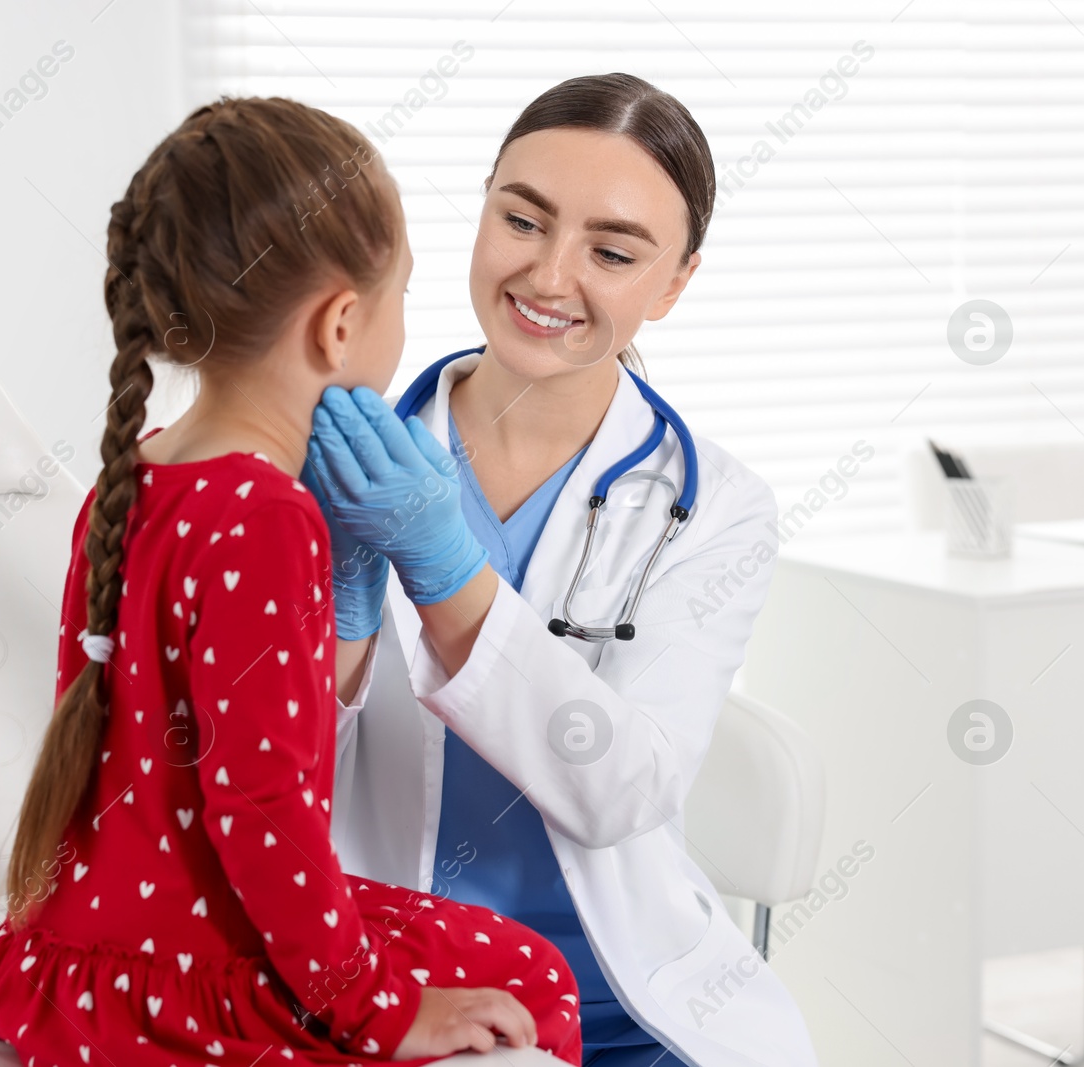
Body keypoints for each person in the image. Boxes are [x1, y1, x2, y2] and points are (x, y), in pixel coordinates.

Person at [0, 95, 582, 1067]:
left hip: (76, 956)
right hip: (194, 970)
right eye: (401, 294)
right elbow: (264, 810)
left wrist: (347, 591)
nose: (406, 322)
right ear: (338, 324)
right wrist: (375, 1008)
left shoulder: (133, 478)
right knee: (531, 973)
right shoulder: (267, 518)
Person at [302, 75, 820, 1067]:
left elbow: (626, 788)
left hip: (619, 995)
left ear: (673, 283)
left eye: (612, 252)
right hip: (390, 979)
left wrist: (447, 572)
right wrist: (344, 616)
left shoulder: (715, 504)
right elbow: (260, 779)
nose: (547, 275)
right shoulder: (338, 457)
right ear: (484, 203)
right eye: (521, 220)